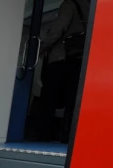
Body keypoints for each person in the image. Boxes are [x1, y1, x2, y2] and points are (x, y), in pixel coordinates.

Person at [39, 0, 90, 142]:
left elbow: (59, 27)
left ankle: (44, 134)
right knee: (72, 100)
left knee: (49, 97)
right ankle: (67, 136)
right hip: (79, 58)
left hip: (61, 57)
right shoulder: (89, 7)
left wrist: (44, 46)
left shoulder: (69, 4)